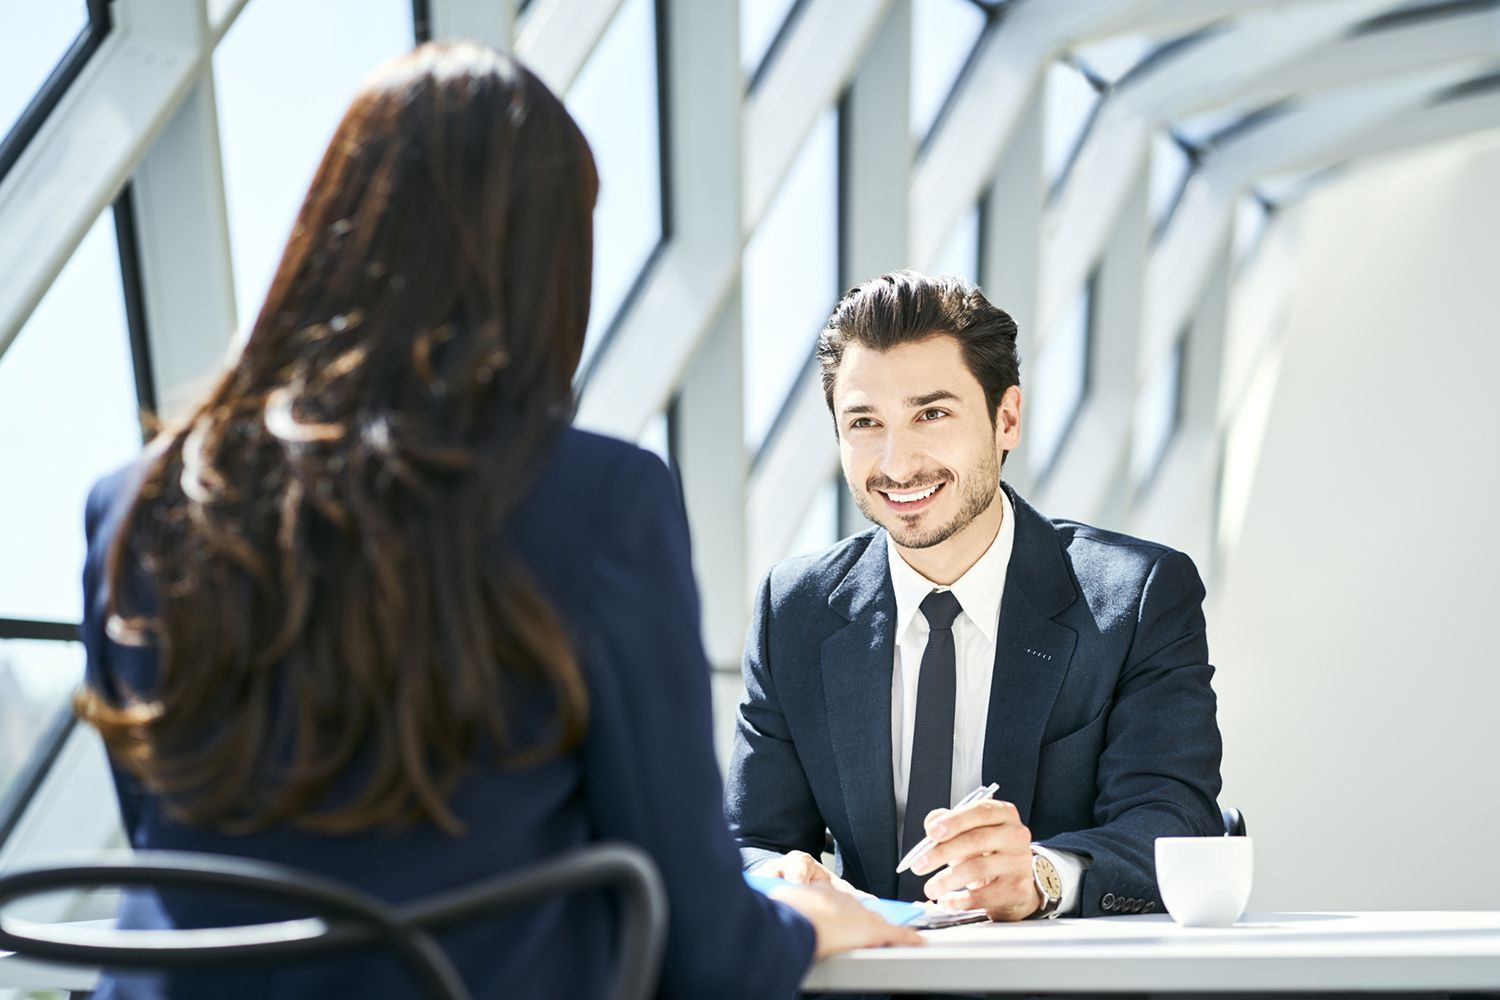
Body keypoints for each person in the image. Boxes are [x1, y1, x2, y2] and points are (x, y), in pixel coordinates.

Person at [76, 42, 918, 1000]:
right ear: (545, 267)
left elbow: (177, 852)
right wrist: (803, 921)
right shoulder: (598, 501)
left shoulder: (136, 505)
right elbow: (700, 941)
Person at [726, 271, 1223, 922]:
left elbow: (1174, 822)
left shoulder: (1135, 598)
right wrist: (780, 874)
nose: (897, 464)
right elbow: (750, 842)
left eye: (931, 414)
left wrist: (1043, 875)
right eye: (865, 422)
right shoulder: (795, 610)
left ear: (1006, 418)